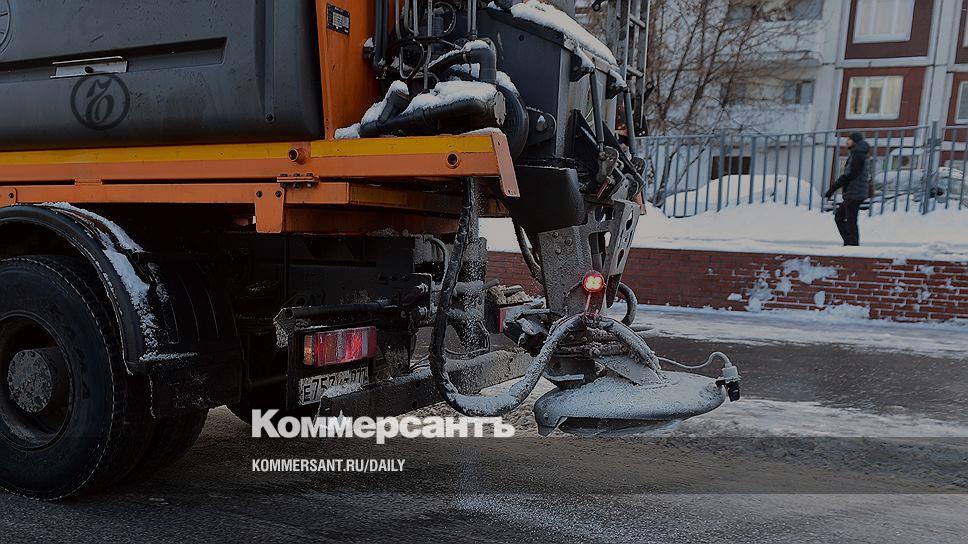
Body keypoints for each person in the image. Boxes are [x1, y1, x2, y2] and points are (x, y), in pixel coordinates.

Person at [825, 131, 870, 246]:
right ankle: (850, 243)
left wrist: (833, 188)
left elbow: (849, 175)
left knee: (849, 219)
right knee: (842, 218)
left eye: (849, 139)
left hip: (855, 193)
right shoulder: (858, 154)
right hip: (853, 192)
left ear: (855, 141)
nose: (847, 142)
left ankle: (852, 244)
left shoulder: (858, 155)